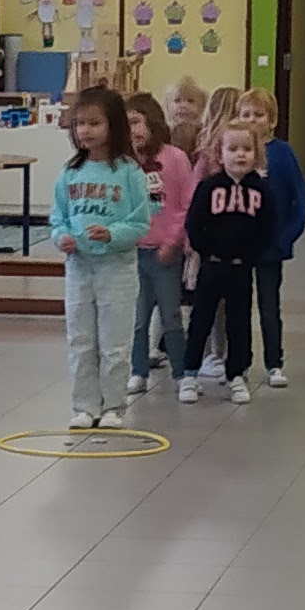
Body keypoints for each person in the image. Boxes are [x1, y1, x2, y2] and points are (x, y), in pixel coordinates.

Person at [50, 83, 153, 427]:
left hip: (117, 268)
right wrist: (62, 238)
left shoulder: (128, 172)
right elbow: (58, 218)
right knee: (81, 339)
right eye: (80, 123)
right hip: (79, 268)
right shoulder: (70, 172)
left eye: (94, 123)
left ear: (113, 125)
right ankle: (85, 406)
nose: (85, 130)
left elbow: (140, 222)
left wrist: (112, 234)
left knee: (114, 343)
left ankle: (113, 406)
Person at [182, 115, 277, 400]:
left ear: (256, 154)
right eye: (233, 149)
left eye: (247, 149)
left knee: (239, 323)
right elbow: (194, 223)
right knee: (201, 319)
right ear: (220, 154)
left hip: (241, 268)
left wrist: (251, 255)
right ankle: (189, 373)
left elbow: (268, 226)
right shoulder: (209, 187)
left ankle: (236, 374)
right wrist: (206, 250)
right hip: (211, 266)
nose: (240, 155)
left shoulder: (261, 189)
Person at [129, 109, 198, 396]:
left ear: (152, 122)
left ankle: (182, 374)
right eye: (125, 124)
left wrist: (173, 240)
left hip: (165, 251)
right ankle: (138, 371)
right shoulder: (124, 162)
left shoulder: (175, 158)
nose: (132, 130)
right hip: (133, 251)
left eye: (136, 122)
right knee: (138, 318)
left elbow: (186, 204)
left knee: (171, 315)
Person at [241, 91, 305, 388]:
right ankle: (239, 362)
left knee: (269, 308)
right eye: (246, 115)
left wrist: (287, 237)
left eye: (259, 115)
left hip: (271, 247)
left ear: (272, 120)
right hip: (240, 246)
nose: (252, 120)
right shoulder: (236, 151)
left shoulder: (283, 153)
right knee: (239, 307)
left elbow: (299, 199)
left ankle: (274, 363)